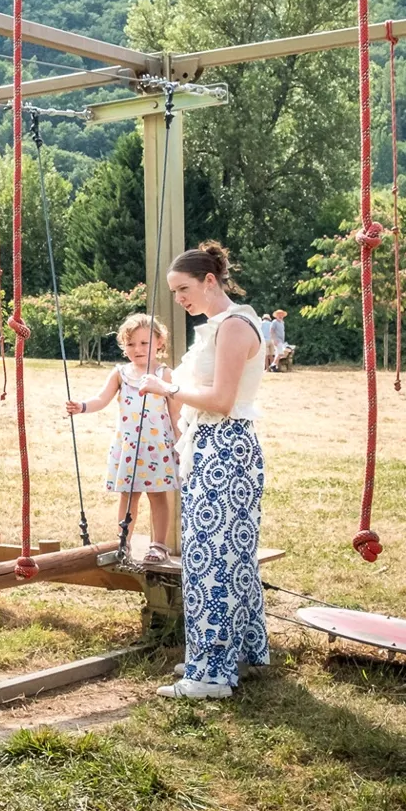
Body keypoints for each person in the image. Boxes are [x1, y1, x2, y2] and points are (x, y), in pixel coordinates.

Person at [136, 240, 268, 700]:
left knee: (211, 559)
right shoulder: (222, 325)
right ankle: (238, 655)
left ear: (210, 280)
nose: (179, 299)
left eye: (183, 289)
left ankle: (211, 674)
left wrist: (167, 387)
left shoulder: (233, 327)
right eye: (174, 292)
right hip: (215, 446)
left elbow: (222, 400)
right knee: (230, 557)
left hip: (225, 448)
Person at [65, 313, 181, 566]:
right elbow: (101, 399)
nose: (137, 349)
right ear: (123, 346)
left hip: (158, 448)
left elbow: (175, 413)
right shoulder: (120, 373)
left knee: (159, 496)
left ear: (159, 342)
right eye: (130, 344)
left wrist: (180, 443)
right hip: (130, 447)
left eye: (144, 343)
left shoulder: (165, 375)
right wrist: (82, 406)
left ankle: (159, 545)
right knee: (128, 497)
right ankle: (123, 542)